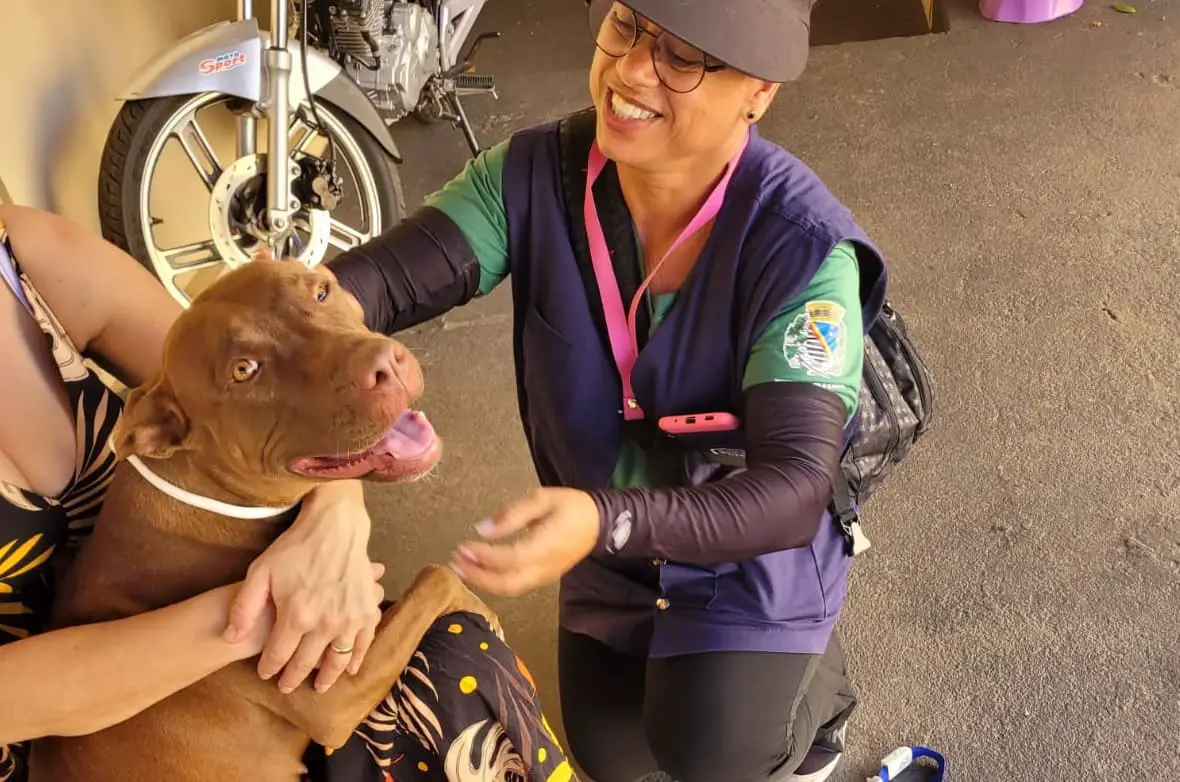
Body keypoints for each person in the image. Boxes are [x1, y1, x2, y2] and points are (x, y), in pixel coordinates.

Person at [326, 1, 889, 781]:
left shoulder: (802, 251)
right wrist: (321, 470)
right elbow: (365, 288)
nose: (629, 70)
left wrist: (601, 520)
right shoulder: (527, 180)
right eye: (628, 24)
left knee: (716, 749)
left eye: (684, 57)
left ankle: (814, 708)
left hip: (749, 556)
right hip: (605, 551)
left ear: (758, 90)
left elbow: (794, 489)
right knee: (610, 755)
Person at [0, 205, 573, 782]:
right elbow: (330, 708)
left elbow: (224, 352)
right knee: (446, 648)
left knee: (456, 669)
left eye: (323, 292)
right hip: (94, 697)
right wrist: (261, 610)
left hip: (158, 563)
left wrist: (335, 512)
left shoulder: (28, 253)